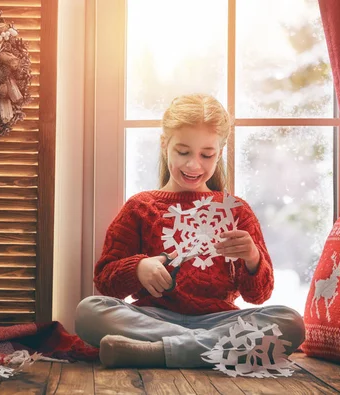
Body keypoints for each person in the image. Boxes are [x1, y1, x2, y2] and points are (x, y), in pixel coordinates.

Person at [75, 94, 305, 369]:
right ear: (165, 145)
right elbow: (104, 280)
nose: (194, 165)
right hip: (153, 318)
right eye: (183, 152)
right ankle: (200, 349)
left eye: (206, 155)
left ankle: (155, 353)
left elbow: (259, 296)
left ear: (219, 153)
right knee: (88, 311)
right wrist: (138, 269)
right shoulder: (140, 207)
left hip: (219, 320)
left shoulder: (236, 211)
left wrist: (252, 258)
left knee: (290, 322)